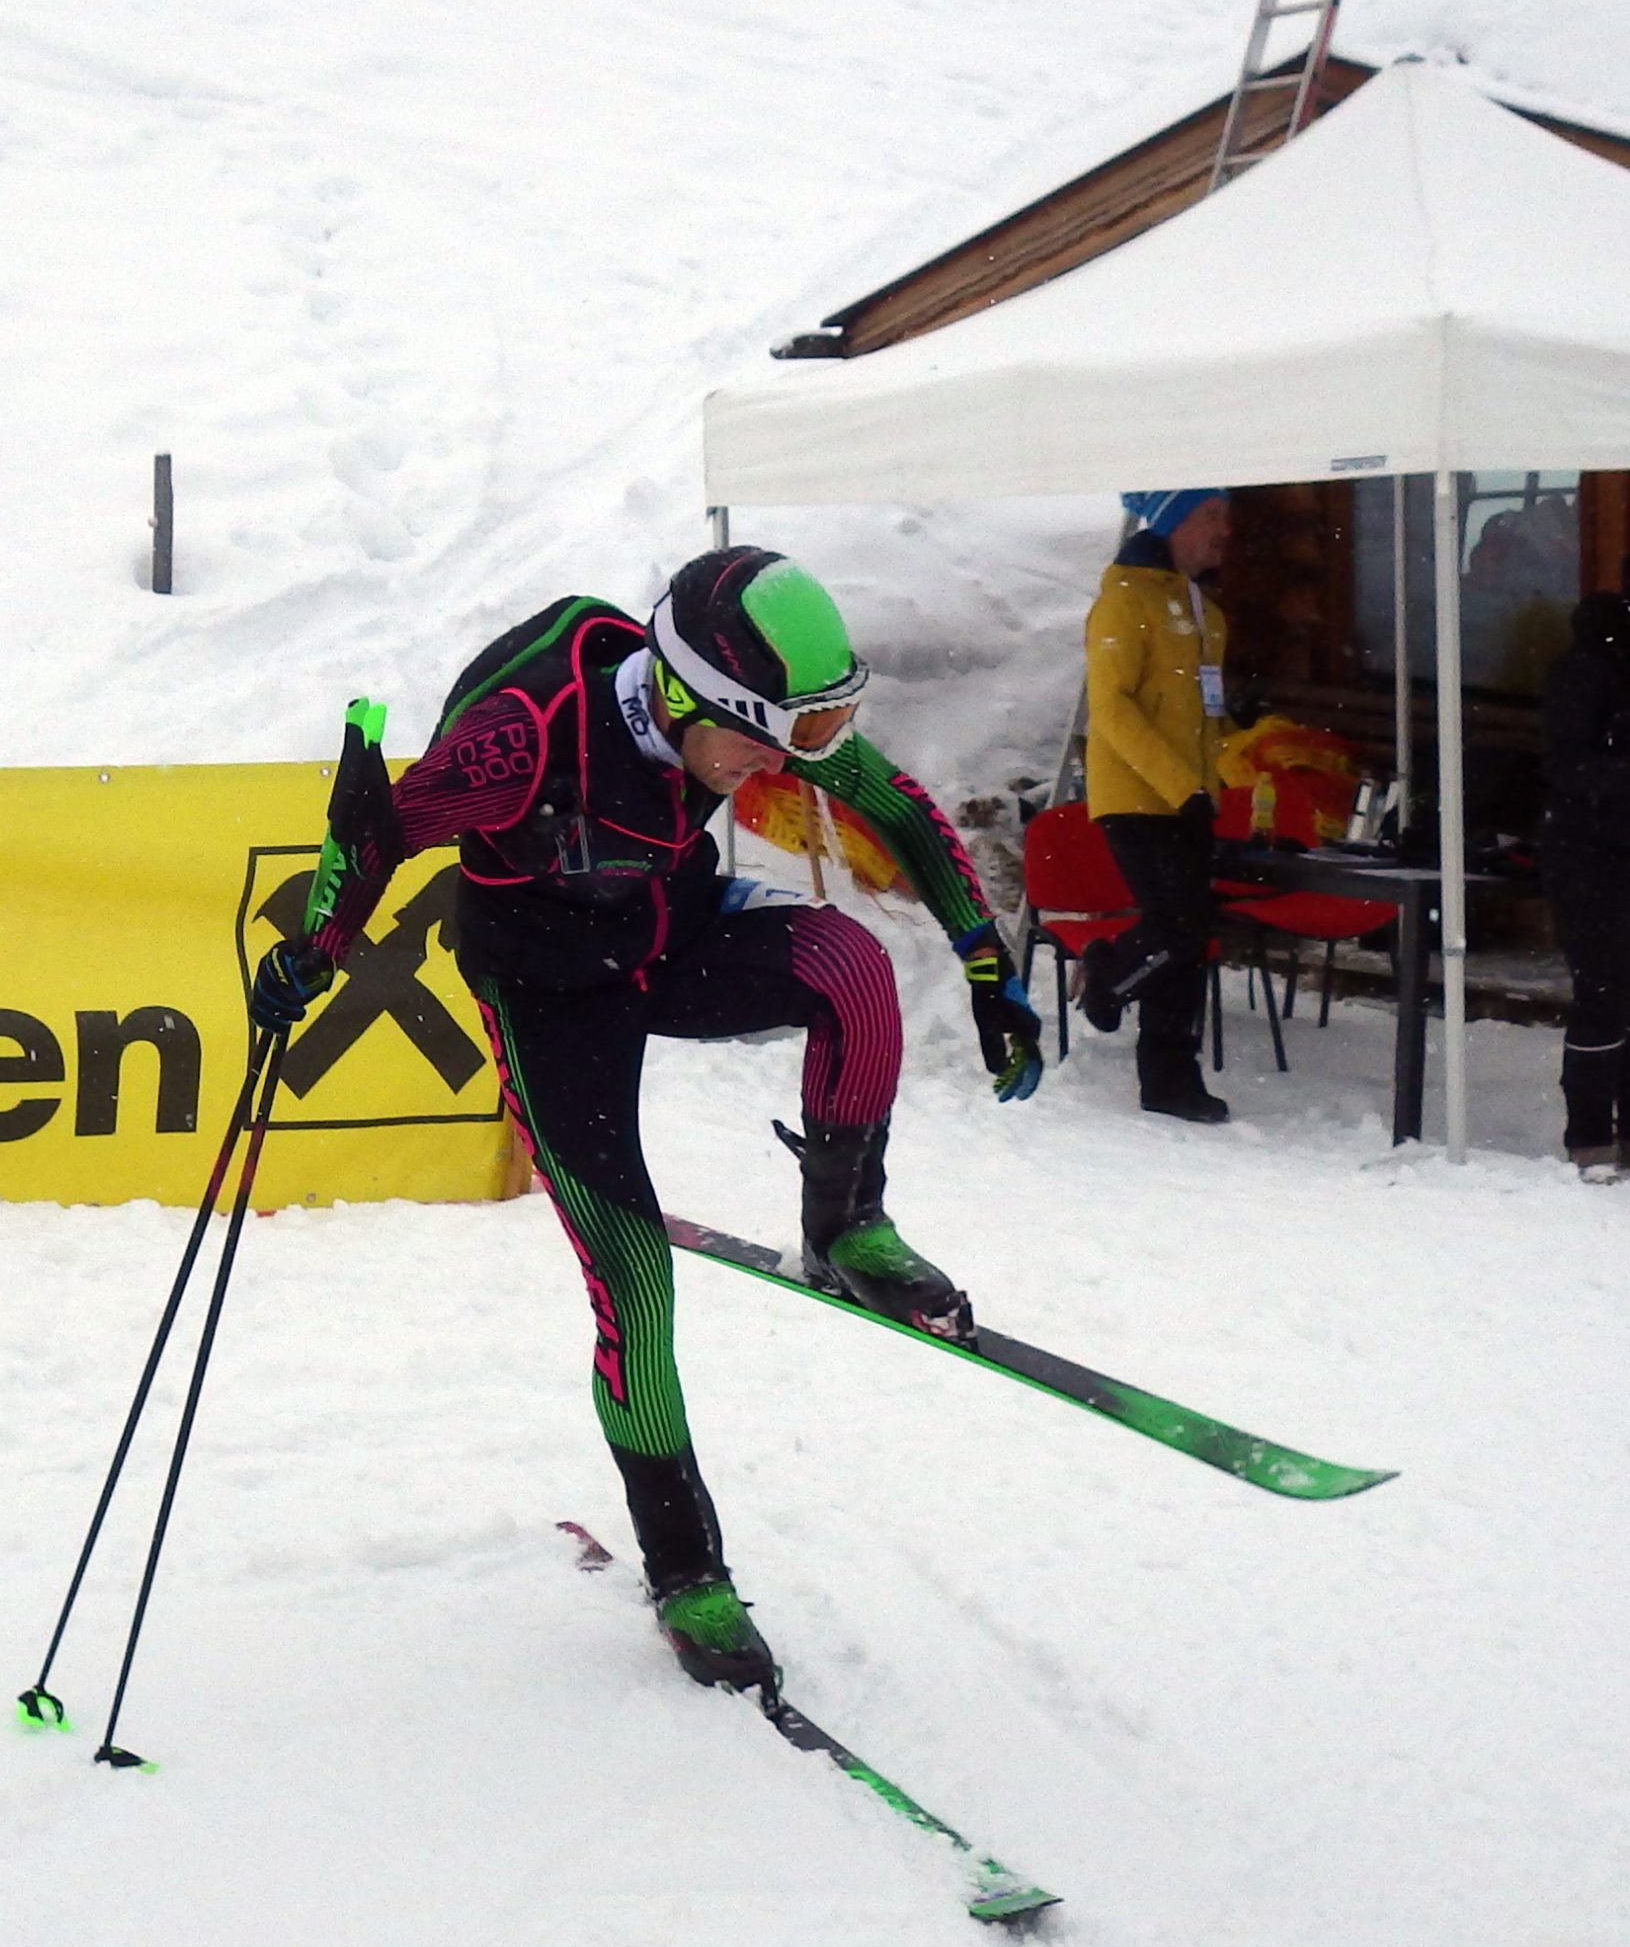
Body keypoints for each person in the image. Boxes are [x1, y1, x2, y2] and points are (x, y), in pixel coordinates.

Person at [249, 548, 1042, 1690]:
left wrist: (982, 962)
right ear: (685, 696)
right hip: (546, 998)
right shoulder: (526, 739)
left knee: (851, 967)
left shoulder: (738, 713)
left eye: (806, 735)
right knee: (633, 1280)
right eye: (768, 742)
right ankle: (686, 1567)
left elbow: (890, 801)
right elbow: (377, 830)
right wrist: (309, 954)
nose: (782, 767)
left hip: (663, 937)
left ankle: (846, 1224)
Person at [1077, 487, 1233, 1122]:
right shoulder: (1123, 603)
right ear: (1172, 523)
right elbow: (1112, 709)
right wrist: (1182, 787)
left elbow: (1205, 714)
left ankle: (1170, 1079)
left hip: (1189, 799)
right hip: (1136, 797)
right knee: (1180, 925)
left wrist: (1218, 782)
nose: (1225, 531)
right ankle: (1108, 976)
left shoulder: (1205, 612)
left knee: (1191, 940)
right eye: (1211, 517)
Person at [1541, 586, 1630, 1175]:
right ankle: (1591, 1136)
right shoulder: (1586, 667)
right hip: (1588, 854)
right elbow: (1566, 763)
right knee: (1604, 993)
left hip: (1611, 844)